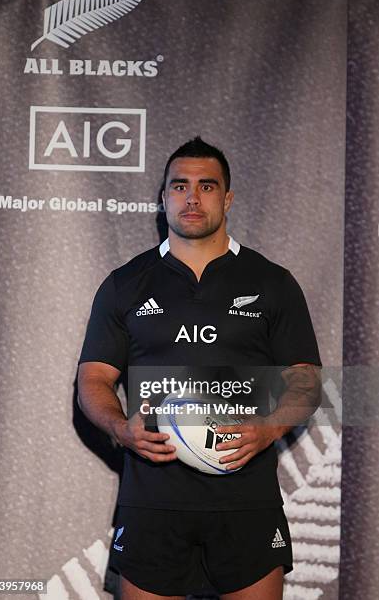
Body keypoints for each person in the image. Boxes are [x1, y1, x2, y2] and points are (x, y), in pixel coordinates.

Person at [77, 137, 322, 600]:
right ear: (163, 197)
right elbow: (94, 378)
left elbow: (306, 380)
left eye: (207, 186)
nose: (192, 197)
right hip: (153, 499)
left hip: (245, 500)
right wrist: (119, 427)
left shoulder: (272, 283)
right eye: (179, 186)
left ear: (227, 198)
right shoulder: (124, 284)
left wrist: (269, 428)